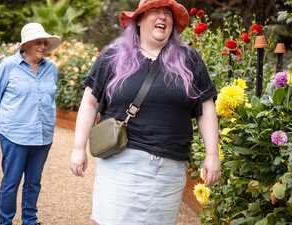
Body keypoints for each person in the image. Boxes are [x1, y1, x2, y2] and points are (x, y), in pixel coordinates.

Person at [70, 0, 221, 224]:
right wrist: (78, 148)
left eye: (168, 14)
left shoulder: (189, 60)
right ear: (139, 20)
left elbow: (205, 108)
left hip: (169, 171)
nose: (163, 17)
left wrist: (212, 154)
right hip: (121, 165)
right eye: (155, 12)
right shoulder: (112, 57)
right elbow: (90, 103)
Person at [0, 22, 60, 225]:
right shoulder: (8, 65)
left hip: (43, 136)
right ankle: (5, 222)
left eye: (45, 43)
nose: (43, 47)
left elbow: (50, 99)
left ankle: (29, 220)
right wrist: (4, 127)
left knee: (34, 183)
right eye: (38, 42)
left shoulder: (51, 69)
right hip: (13, 136)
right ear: (26, 45)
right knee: (11, 182)